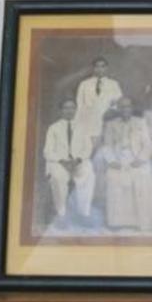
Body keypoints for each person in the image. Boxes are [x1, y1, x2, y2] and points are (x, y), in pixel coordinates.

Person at [101, 97, 152, 230]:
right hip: (118, 158)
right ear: (118, 109)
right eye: (122, 107)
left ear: (131, 108)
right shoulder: (111, 124)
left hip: (137, 157)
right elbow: (107, 145)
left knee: (143, 180)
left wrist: (141, 159)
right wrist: (112, 160)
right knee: (114, 177)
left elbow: (148, 144)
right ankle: (117, 222)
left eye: (127, 106)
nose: (125, 109)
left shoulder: (140, 122)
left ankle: (142, 222)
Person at [40, 96, 91, 224]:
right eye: (66, 108)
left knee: (89, 173)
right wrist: (63, 161)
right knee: (59, 178)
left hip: (77, 162)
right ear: (61, 110)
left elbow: (88, 148)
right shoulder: (53, 128)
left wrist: (78, 160)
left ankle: (83, 213)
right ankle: (61, 214)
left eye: (72, 108)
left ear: (76, 110)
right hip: (59, 163)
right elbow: (47, 151)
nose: (69, 111)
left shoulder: (83, 127)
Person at [72, 56, 123, 165]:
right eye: (97, 66)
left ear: (107, 68)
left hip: (106, 122)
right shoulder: (84, 84)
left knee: (104, 150)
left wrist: (109, 113)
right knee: (86, 151)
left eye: (102, 66)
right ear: (93, 68)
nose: (100, 69)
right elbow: (79, 105)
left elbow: (118, 104)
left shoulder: (114, 84)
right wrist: (76, 124)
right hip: (87, 122)